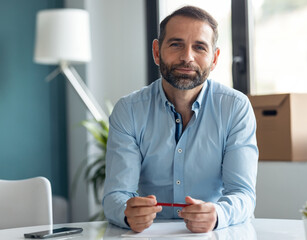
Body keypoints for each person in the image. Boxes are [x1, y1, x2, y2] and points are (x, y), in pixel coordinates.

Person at [103, 5, 258, 233]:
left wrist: (218, 215)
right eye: (176, 44)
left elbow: (243, 194)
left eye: (199, 47)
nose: (187, 57)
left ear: (214, 59)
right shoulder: (129, 111)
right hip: (150, 235)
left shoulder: (236, 108)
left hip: (216, 234)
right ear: (157, 52)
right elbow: (115, 195)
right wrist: (127, 213)